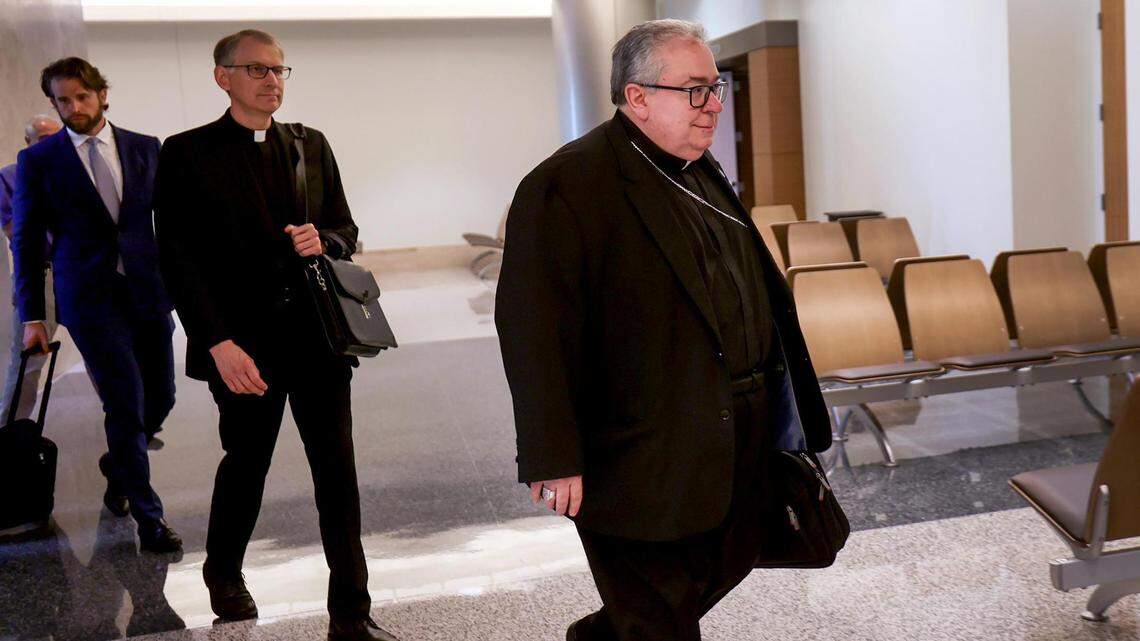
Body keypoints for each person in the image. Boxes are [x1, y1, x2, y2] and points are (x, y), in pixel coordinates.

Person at [495, 19, 832, 641]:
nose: (712, 107)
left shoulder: (699, 168)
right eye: (694, 90)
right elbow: (532, 330)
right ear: (637, 97)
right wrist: (552, 453)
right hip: (636, 450)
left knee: (712, 573)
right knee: (659, 616)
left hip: (734, 432)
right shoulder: (566, 185)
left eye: (715, 88)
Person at [153, 29, 397, 641]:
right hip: (241, 346)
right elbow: (178, 260)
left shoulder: (310, 144)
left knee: (336, 473)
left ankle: (352, 614)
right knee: (247, 463)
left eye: (281, 70)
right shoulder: (187, 153)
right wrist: (217, 342)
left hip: (317, 338)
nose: (272, 81)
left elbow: (345, 226)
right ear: (223, 77)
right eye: (258, 69)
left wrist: (329, 241)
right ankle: (223, 571)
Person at [12, 57, 180, 553]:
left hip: (147, 292)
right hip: (88, 301)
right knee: (123, 403)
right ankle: (150, 519)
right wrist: (32, 316)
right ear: (53, 102)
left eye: (82, 97)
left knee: (161, 397)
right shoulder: (40, 161)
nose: (74, 108)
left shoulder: (145, 148)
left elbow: (170, 226)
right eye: (63, 100)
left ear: (102, 94)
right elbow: (25, 243)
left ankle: (118, 467)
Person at [0, 115, 60, 422]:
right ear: (28, 144)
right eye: (42, 137)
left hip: (78, 272)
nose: (50, 143)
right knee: (29, 362)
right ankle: (9, 433)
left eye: (55, 136)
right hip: (40, 275)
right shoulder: (10, 177)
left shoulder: (74, 176)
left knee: (103, 353)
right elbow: (17, 232)